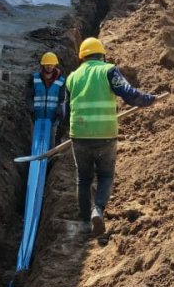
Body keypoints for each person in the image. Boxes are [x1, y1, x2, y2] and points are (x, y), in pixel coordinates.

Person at [66, 37, 157, 236]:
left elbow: (68, 107)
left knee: (83, 178)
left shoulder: (72, 77)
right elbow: (129, 94)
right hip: (105, 134)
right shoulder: (108, 70)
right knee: (105, 175)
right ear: (102, 54)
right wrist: (149, 99)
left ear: (82, 58)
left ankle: (84, 221)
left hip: (79, 135)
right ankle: (97, 209)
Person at [30, 52, 67, 139]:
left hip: (52, 119)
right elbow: (29, 96)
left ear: (55, 65)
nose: (49, 66)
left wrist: (59, 111)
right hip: (37, 118)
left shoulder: (61, 80)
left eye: (51, 64)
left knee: (51, 143)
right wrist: (31, 110)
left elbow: (62, 99)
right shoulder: (34, 78)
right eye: (47, 64)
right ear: (43, 65)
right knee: (37, 141)